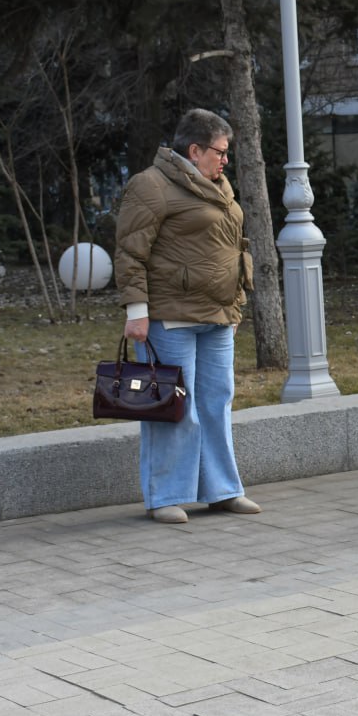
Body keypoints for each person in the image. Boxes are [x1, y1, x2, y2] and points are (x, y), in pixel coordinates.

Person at [114, 109, 261, 524]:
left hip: (216, 316)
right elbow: (130, 253)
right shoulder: (151, 185)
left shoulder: (218, 187)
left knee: (216, 402)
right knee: (173, 405)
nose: (225, 160)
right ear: (194, 150)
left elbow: (232, 246)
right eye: (220, 151)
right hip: (168, 317)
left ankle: (222, 490)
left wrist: (235, 304)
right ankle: (166, 496)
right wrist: (137, 312)